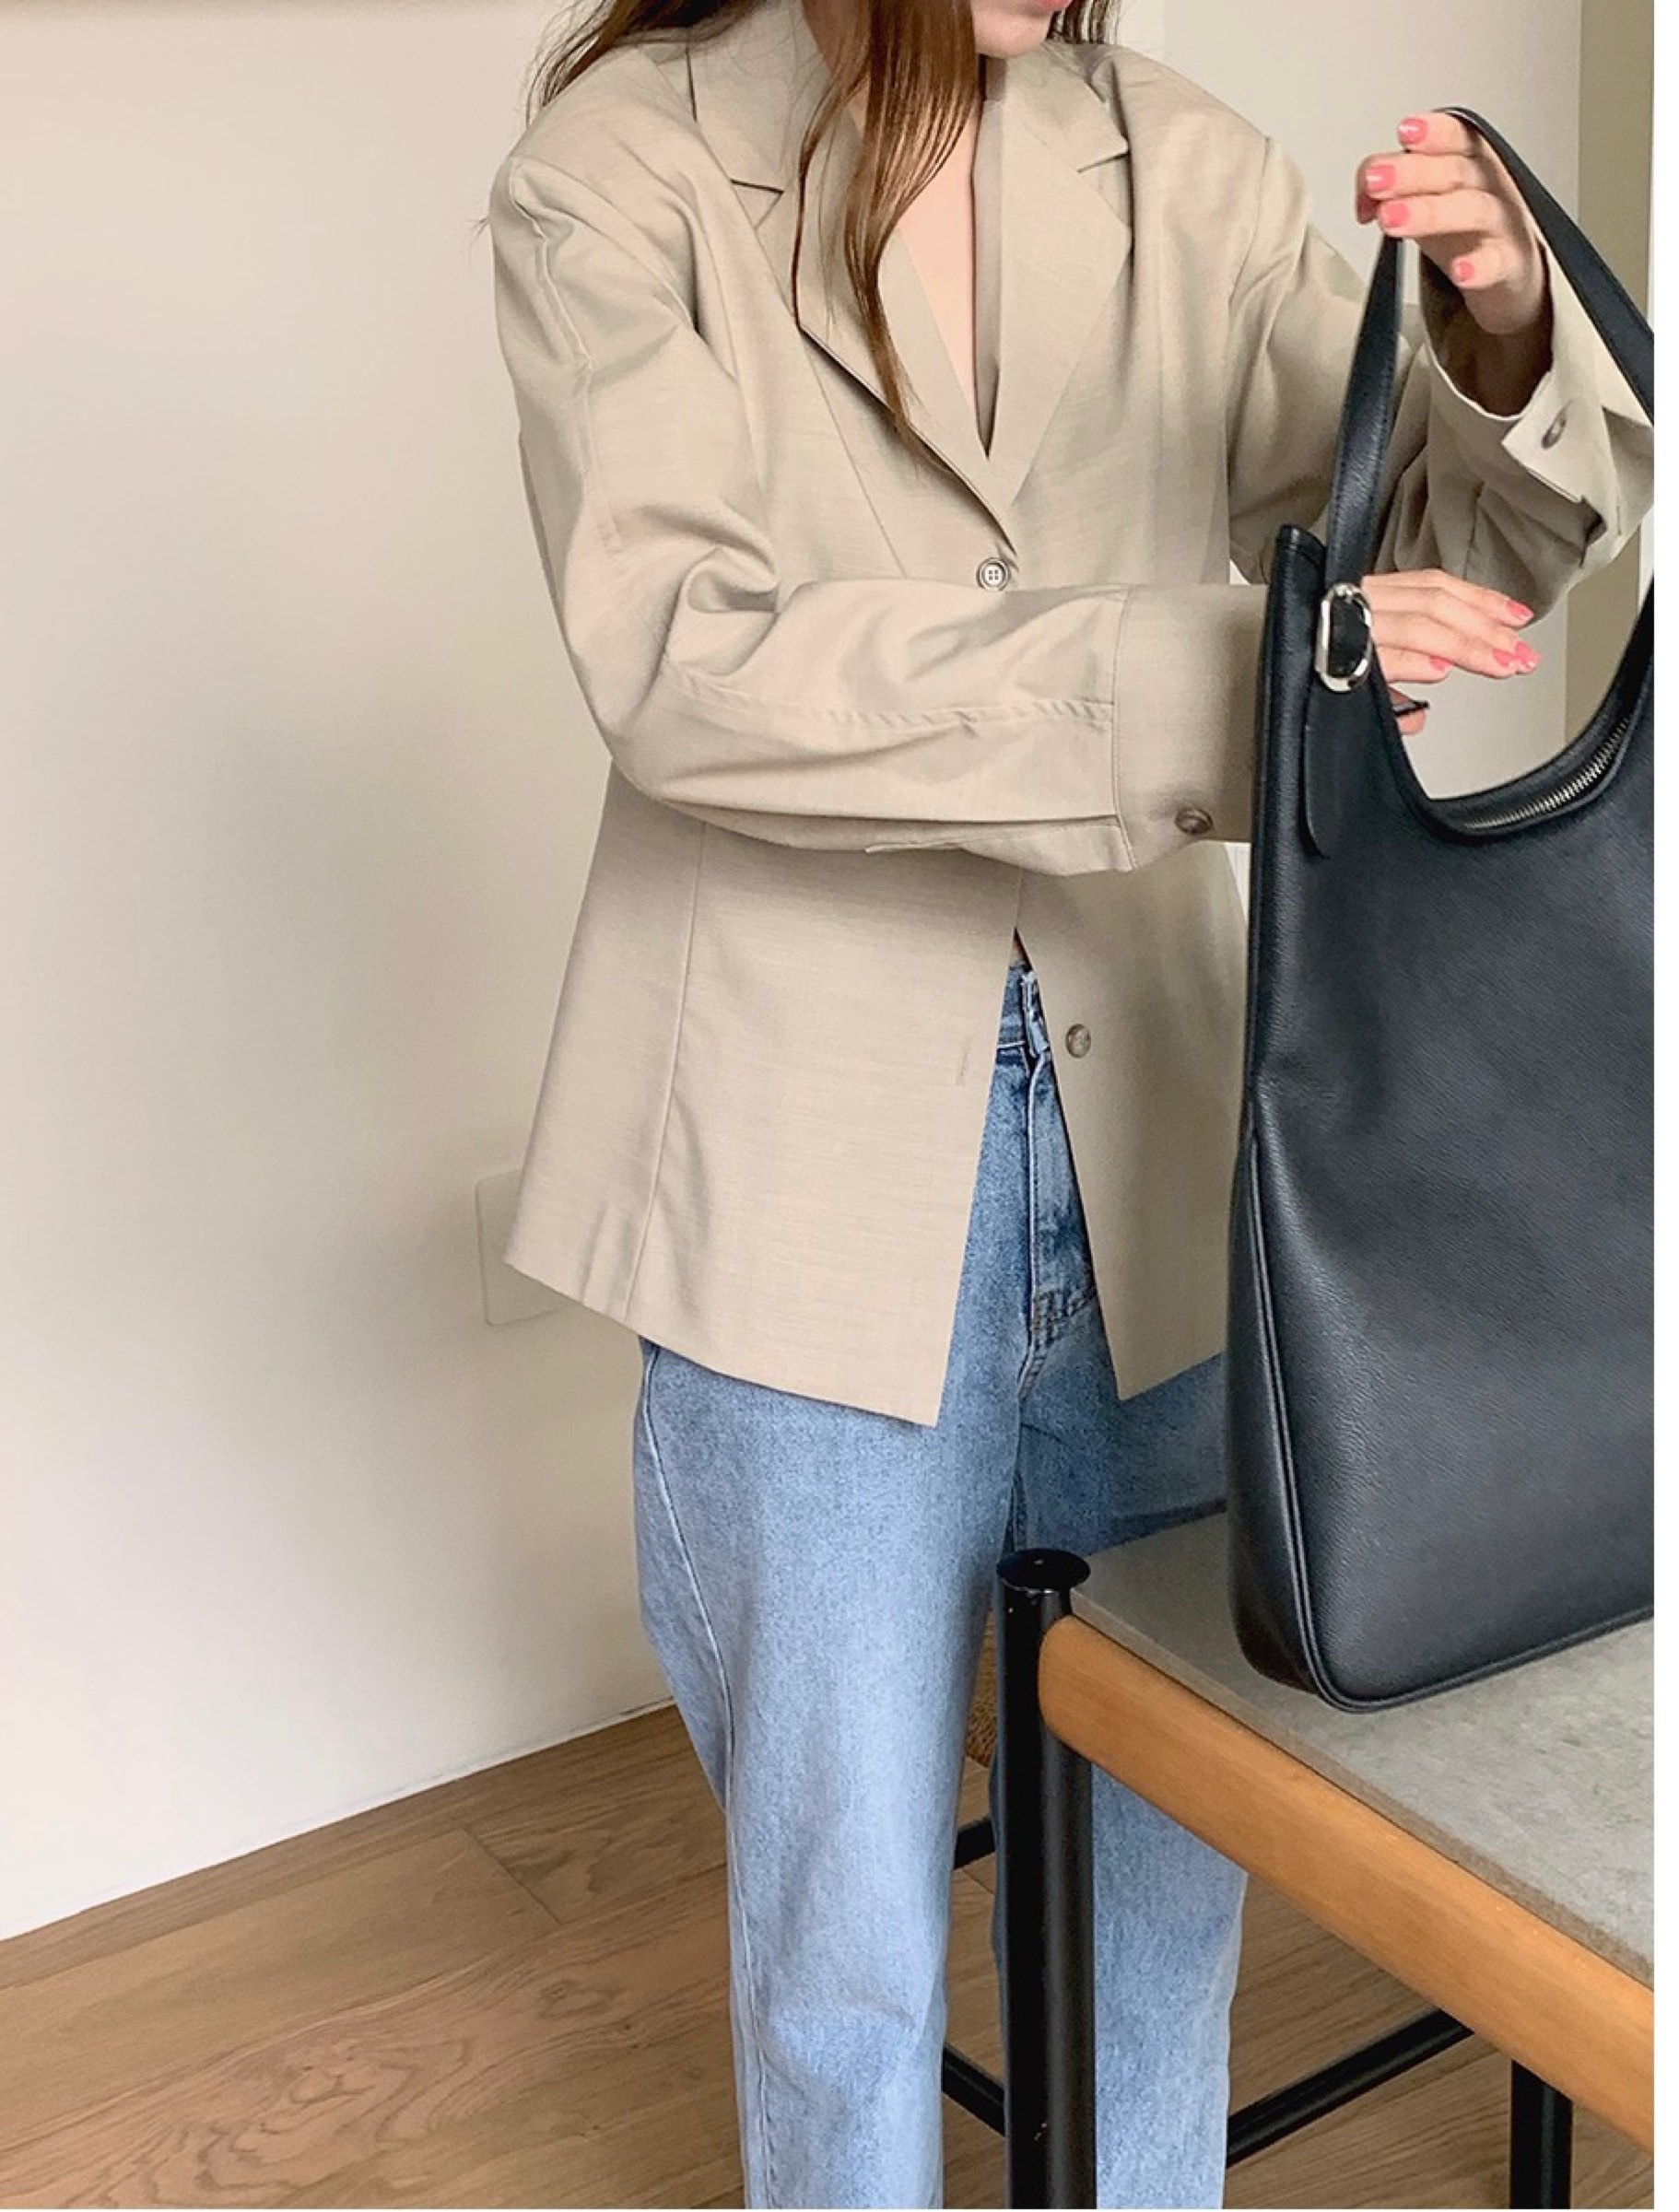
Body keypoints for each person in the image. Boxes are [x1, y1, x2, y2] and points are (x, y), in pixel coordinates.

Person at [483, 1, 1651, 2202]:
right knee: (840, 1946)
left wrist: (1498, 332)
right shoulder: (617, 171)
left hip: (1165, 1153)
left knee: (1155, 1882)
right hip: (793, 1181)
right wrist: (1214, 666)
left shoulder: (1171, 159)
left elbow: (1442, 564)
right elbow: (685, 660)